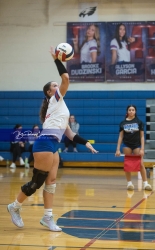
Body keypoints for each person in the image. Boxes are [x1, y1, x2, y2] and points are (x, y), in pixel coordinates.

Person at [7, 46, 98, 232]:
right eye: (54, 86)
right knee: (37, 182)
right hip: (44, 143)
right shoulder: (55, 100)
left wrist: (86, 143)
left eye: (57, 86)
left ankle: (47, 217)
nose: (58, 86)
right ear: (49, 93)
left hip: (53, 145)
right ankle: (14, 206)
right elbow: (66, 78)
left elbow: (69, 134)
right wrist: (57, 59)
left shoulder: (61, 108)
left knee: (51, 181)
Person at [115, 105, 152, 191]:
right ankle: (129, 183)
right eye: (129, 110)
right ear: (127, 111)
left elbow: (142, 136)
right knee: (127, 165)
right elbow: (120, 137)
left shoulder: (139, 122)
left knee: (141, 164)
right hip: (127, 145)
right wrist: (117, 149)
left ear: (135, 111)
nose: (131, 111)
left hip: (137, 145)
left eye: (133, 110)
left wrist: (142, 148)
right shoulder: (122, 123)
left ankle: (145, 183)